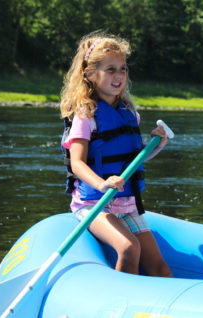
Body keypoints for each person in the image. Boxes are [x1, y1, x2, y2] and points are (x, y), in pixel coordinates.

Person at [59, 32, 172, 277]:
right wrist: (102, 184)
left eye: (123, 69)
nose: (119, 75)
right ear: (89, 73)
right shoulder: (85, 115)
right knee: (129, 247)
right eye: (110, 69)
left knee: (158, 265)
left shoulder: (129, 111)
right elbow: (77, 163)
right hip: (93, 203)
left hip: (127, 203)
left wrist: (157, 145)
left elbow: (133, 160)